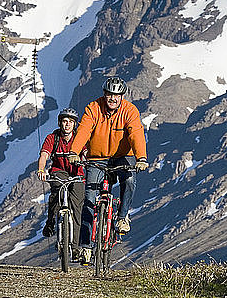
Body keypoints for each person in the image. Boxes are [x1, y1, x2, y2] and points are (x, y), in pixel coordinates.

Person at [68, 77, 148, 265]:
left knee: (129, 179)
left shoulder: (130, 110)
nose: (112, 98)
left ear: (122, 96)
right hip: (97, 157)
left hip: (123, 155)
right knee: (89, 199)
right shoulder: (93, 108)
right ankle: (86, 246)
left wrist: (141, 158)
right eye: (109, 94)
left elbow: (136, 133)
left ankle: (122, 217)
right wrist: (74, 151)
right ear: (104, 94)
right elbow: (84, 130)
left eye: (116, 95)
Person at [37, 108, 85, 260]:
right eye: (65, 121)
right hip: (59, 171)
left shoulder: (79, 137)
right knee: (56, 194)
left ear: (74, 124)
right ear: (60, 123)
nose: (67, 125)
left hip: (77, 174)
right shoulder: (53, 138)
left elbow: (85, 152)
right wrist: (41, 169)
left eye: (71, 122)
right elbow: (44, 154)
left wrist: (83, 158)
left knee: (78, 207)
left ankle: (76, 248)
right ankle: (50, 222)